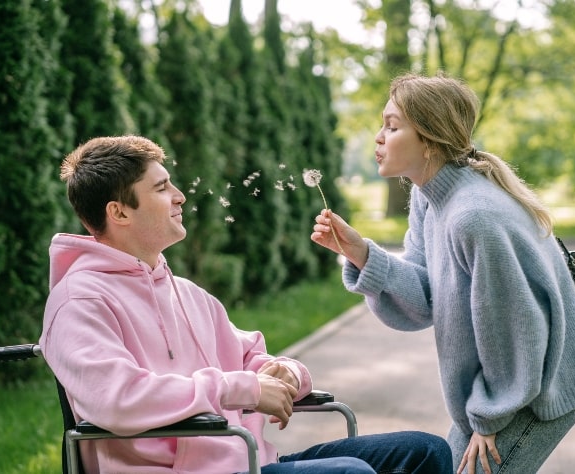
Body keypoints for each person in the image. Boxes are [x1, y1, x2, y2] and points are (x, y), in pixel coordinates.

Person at [40, 135, 452, 474]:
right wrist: (245, 388)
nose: (180, 196)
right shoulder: (79, 302)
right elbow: (119, 398)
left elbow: (252, 358)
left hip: (247, 463)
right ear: (119, 212)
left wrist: (286, 373)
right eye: (162, 188)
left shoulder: (187, 293)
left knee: (424, 451)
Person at [311, 73, 575, 474]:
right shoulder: (430, 198)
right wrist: (362, 254)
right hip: (508, 385)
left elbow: (517, 329)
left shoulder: (474, 217)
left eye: (392, 126)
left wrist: (489, 417)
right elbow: (425, 299)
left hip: (537, 387)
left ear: (430, 139)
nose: (379, 136)